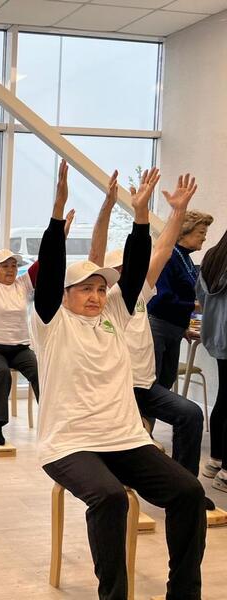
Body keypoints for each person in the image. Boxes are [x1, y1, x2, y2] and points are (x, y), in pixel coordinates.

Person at [33, 159, 206, 600]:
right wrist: (57, 211)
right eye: (85, 289)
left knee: (188, 491)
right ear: (65, 296)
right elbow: (50, 271)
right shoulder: (52, 323)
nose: (95, 296)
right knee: (109, 497)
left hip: (124, 438)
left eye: (99, 288)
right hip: (68, 443)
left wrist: (142, 213)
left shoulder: (115, 312)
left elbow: (139, 262)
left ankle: (183, 592)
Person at [90, 171, 209, 498]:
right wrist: (107, 208)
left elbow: (165, 249)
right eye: (119, 270)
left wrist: (178, 212)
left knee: (190, 414)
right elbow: (95, 257)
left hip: (144, 387)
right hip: (116, 392)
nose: (126, 274)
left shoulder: (140, 294)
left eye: (127, 269)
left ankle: (187, 488)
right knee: (137, 441)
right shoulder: (101, 304)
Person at [0, 202, 73, 445]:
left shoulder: (23, 284)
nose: (11, 269)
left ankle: (51, 422)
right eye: (5, 266)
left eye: (14, 265)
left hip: (19, 349)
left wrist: (62, 231)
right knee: (1, 373)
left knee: (41, 372)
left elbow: (47, 258)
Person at [148, 208, 213, 389]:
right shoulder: (168, 256)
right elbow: (161, 297)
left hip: (174, 329)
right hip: (158, 327)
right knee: (153, 384)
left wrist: (184, 326)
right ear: (184, 231)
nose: (204, 238)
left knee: (167, 380)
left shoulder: (186, 259)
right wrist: (194, 306)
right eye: (201, 233)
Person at [197, 226, 227, 493]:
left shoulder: (212, 257)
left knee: (224, 397)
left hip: (216, 335)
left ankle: (215, 460)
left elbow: (202, 297)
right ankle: (226, 473)